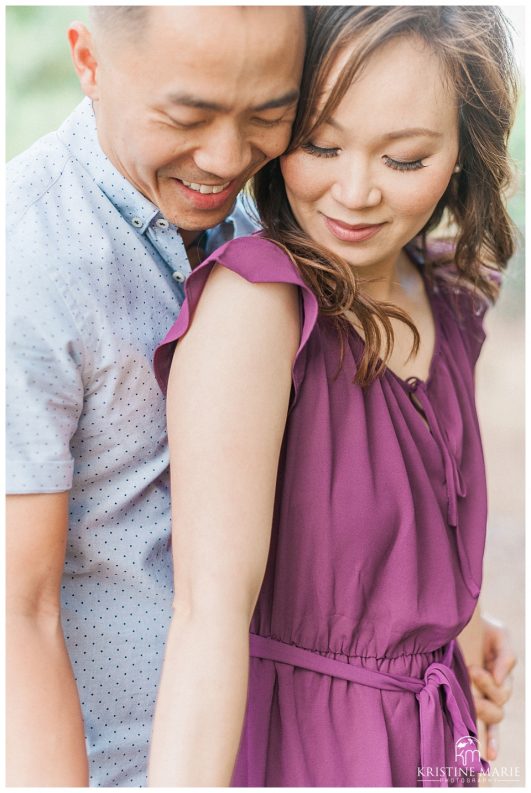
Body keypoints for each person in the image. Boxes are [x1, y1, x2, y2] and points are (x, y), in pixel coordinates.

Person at [152, 6, 519, 787]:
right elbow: (205, 618)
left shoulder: (448, 294)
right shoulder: (258, 306)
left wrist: (451, 625)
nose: (353, 193)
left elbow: (406, 517)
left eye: (405, 158)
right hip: (301, 752)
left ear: (462, 149)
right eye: (320, 143)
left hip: (428, 751)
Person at [5, 6, 307, 786]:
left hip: (279, 747)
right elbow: (18, 610)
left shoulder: (271, 210)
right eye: (188, 116)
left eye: (268, 115)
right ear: (89, 61)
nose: (225, 155)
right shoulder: (29, 261)